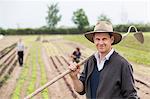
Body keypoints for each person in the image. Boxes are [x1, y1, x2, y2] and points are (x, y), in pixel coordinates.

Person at [69, 21, 139, 99]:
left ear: (111, 40)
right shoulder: (90, 62)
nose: (101, 43)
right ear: (94, 40)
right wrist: (74, 77)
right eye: (98, 39)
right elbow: (81, 90)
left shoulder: (123, 65)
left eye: (104, 39)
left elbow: (131, 96)